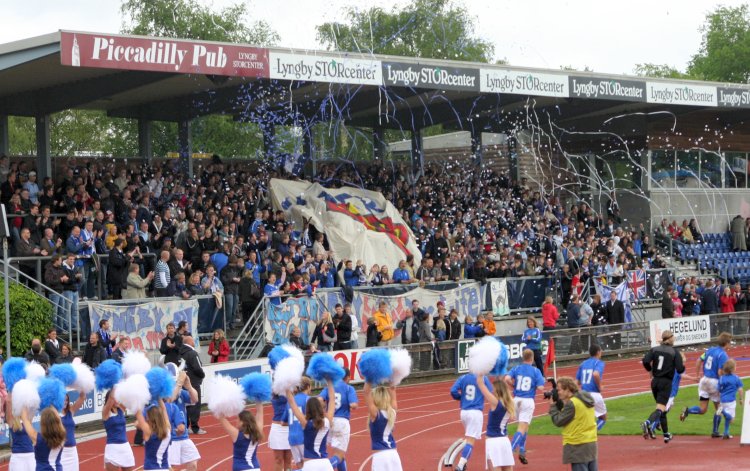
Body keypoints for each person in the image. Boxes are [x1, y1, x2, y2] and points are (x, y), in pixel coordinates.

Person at [680, 332, 732, 437]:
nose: (730, 345)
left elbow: (699, 360)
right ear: (726, 343)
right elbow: (719, 372)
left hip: (704, 380)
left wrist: (697, 375)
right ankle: (715, 431)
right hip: (714, 382)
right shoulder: (723, 355)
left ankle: (688, 411)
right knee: (719, 408)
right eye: (729, 343)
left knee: (703, 409)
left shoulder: (710, 350)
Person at [641, 329, 684, 442]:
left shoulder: (654, 349)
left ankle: (666, 434)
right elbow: (680, 369)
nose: (674, 339)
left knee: (662, 409)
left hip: (655, 381)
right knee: (660, 409)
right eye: (673, 337)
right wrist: (681, 366)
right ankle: (647, 423)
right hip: (665, 383)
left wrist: (650, 369)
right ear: (670, 338)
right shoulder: (674, 352)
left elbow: (645, 361)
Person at [548, 377, 599, 471]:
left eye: (559, 390)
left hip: (577, 444)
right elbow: (574, 414)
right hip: (591, 442)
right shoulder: (585, 397)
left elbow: (558, 421)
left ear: (567, 389)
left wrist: (553, 407)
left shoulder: (572, 403)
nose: (557, 392)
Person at [505, 349, 545, 464]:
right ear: (532, 358)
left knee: (524, 426)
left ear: (523, 357)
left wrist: (513, 386)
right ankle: (511, 449)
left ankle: (522, 450)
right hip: (528, 400)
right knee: (522, 427)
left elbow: (507, 378)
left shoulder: (517, 368)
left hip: (516, 400)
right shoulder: (535, 371)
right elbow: (541, 387)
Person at [286, 378, 336, 471]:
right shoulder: (327, 421)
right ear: (320, 408)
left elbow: (292, 403)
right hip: (325, 464)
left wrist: (286, 387)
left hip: (309, 465)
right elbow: (332, 399)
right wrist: (330, 380)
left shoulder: (305, 423)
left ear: (308, 409)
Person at [450, 371, 493, 471]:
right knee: (470, 441)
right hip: (475, 412)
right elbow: (489, 392)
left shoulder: (463, 377)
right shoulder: (483, 378)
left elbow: (453, 391)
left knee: (468, 437)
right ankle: (461, 465)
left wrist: (461, 398)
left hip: (464, 412)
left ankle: (464, 464)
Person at [319, 368, 358, 471]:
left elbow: (319, 400)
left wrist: (324, 410)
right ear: (348, 378)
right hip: (342, 422)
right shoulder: (349, 388)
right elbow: (353, 404)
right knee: (339, 455)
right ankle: (323, 468)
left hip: (329, 420)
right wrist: (351, 406)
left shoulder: (329, 388)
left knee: (337, 454)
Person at [475, 374, 516, 471]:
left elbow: (480, 384)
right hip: (505, 442)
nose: (492, 391)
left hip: (493, 442)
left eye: (494, 389)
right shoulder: (510, 403)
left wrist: (480, 372)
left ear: (497, 390)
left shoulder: (495, 402)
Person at [215, 399, 264, 471]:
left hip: (241, 468)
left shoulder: (237, 435)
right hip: (256, 468)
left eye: (237, 419)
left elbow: (222, 418)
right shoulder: (257, 432)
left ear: (243, 422)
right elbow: (260, 412)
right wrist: (258, 397)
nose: (236, 421)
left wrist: (219, 404)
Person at [364, 381, 403, 471]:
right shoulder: (392, 412)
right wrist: (392, 378)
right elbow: (393, 389)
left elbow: (366, 392)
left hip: (380, 456)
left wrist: (369, 376)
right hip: (394, 454)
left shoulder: (375, 414)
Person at [167, 372, 201, 471]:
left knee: (193, 464)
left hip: (184, 437)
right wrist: (179, 383)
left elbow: (195, 399)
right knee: (170, 467)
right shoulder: (165, 395)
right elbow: (170, 398)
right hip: (171, 439)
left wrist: (189, 386)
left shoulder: (181, 393)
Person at [21, 406, 66, 471]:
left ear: (42, 423)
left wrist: (22, 404)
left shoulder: (38, 438)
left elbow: (25, 420)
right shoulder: (62, 435)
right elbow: (59, 421)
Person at [576, 345, 607, 430]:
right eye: (600, 351)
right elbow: (595, 374)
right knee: (603, 417)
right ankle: (591, 434)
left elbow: (578, 381)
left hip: (582, 394)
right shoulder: (599, 363)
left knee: (585, 418)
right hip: (594, 394)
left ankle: (581, 434)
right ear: (598, 352)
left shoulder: (583, 364)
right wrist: (600, 386)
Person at [135, 400, 171, 471]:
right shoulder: (168, 429)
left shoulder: (148, 431)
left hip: (150, 468)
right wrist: (159, 397)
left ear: (149, 418)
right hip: (164, 468)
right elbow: (164, 409)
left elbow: (138, 415)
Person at [180, 336, 206, 435]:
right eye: (193, 340)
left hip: (183, 381)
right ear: (190, 342)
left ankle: (185, 426)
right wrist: (202, 375)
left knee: (185, 405)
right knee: (195, 404)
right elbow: (198, 368)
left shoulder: (180, 353)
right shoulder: (192, 353)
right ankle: (195, 427)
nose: (194, 341)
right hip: (193, 382)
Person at [287, 377, 313, 469]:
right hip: (304, 437)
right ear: (308, 386)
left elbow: (283, 421)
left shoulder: (291, 401)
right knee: (310, 465)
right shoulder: (309, 399)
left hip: (292, 438)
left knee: (300, 466)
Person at [6, 392, 35, 470]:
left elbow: (33, 406)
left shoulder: (28, 420)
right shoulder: (12, 420)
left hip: (30, 455)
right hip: (17, 456)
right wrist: (11, 389)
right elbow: (8, 402)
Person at [716, 359, 744, 439]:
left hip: (722, 400)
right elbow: (740, 389)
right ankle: (723, 412)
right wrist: (741, 399)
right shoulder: (736, 378)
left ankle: (726, 432)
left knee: (727, 419)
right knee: (731, 419)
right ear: (733, 369)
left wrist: (718, 400)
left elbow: (718, 390)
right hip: (731, 401)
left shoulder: (721, 378)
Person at [61, 391, 87, 471]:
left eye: (66, 400)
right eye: (63, 400)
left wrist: (82, 385)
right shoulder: (53, 414)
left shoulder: (70, 411)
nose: (65, 402)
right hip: (60, 451)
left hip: (72, 451)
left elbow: (82, 397)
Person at [270, 391, 292, 471]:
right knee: (278, 460)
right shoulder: (276, 393)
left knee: (288, 460)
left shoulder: (291, 390)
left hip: (289, 428)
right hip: (277, 429)